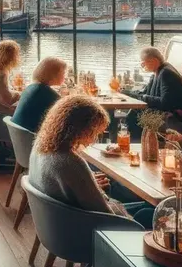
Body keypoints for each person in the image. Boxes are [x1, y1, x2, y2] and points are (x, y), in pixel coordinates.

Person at [29, 96, 151, 226]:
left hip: (62, 223)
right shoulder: (71, 161)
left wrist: (89, 184)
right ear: (81, 129)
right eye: (94, 133)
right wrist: (99, 191)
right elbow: (105, 213)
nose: (94, 140)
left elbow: (67, 186)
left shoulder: (41, 147)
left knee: (144, 206)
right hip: (92, 229)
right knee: (149, 212)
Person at [125, 46, 182, 134]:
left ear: (154, 61)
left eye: (143, 63)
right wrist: (126, 92)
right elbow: (144, 92)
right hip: (169, 115)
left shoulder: (166, 73)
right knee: (134, 113)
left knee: (135, 117)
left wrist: (143, 97)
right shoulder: (156, 73)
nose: (142, 66)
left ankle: (136, 144)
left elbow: (165, 103)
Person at [11, 56, 66, 133]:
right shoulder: (48, 94)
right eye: (63, 72)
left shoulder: (30, 88)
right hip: (35, 140)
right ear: (54, 74)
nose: (65, 76)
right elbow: (67, 113)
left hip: (18, 138)